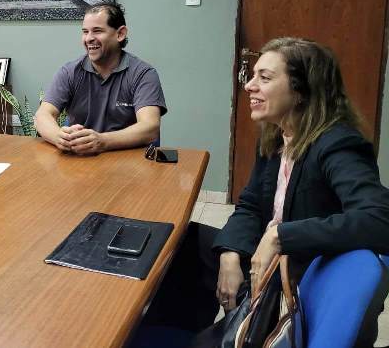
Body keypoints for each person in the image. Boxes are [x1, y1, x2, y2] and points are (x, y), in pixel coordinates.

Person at [142, 38, 389, 345]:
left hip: (299, 276)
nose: (249, 86)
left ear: (301, 90)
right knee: (186, 242)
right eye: (253, 75)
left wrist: (280, 236)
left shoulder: (338, 144)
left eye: (265, 78)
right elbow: (250, 204)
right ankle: (175, 332)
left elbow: (380, 219)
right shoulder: (277, 135)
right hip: (269, 260)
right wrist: (230, 253)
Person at [34, 2, 166, 155]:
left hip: (129, 162)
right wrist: (59, 137)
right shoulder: (69, 72)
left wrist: (102, 141)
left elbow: (150, 128)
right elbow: (42, 116)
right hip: (81, 161)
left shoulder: (143, 74)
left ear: (120, 34)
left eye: (97, 31)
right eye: (85, 32)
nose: (89, 38)